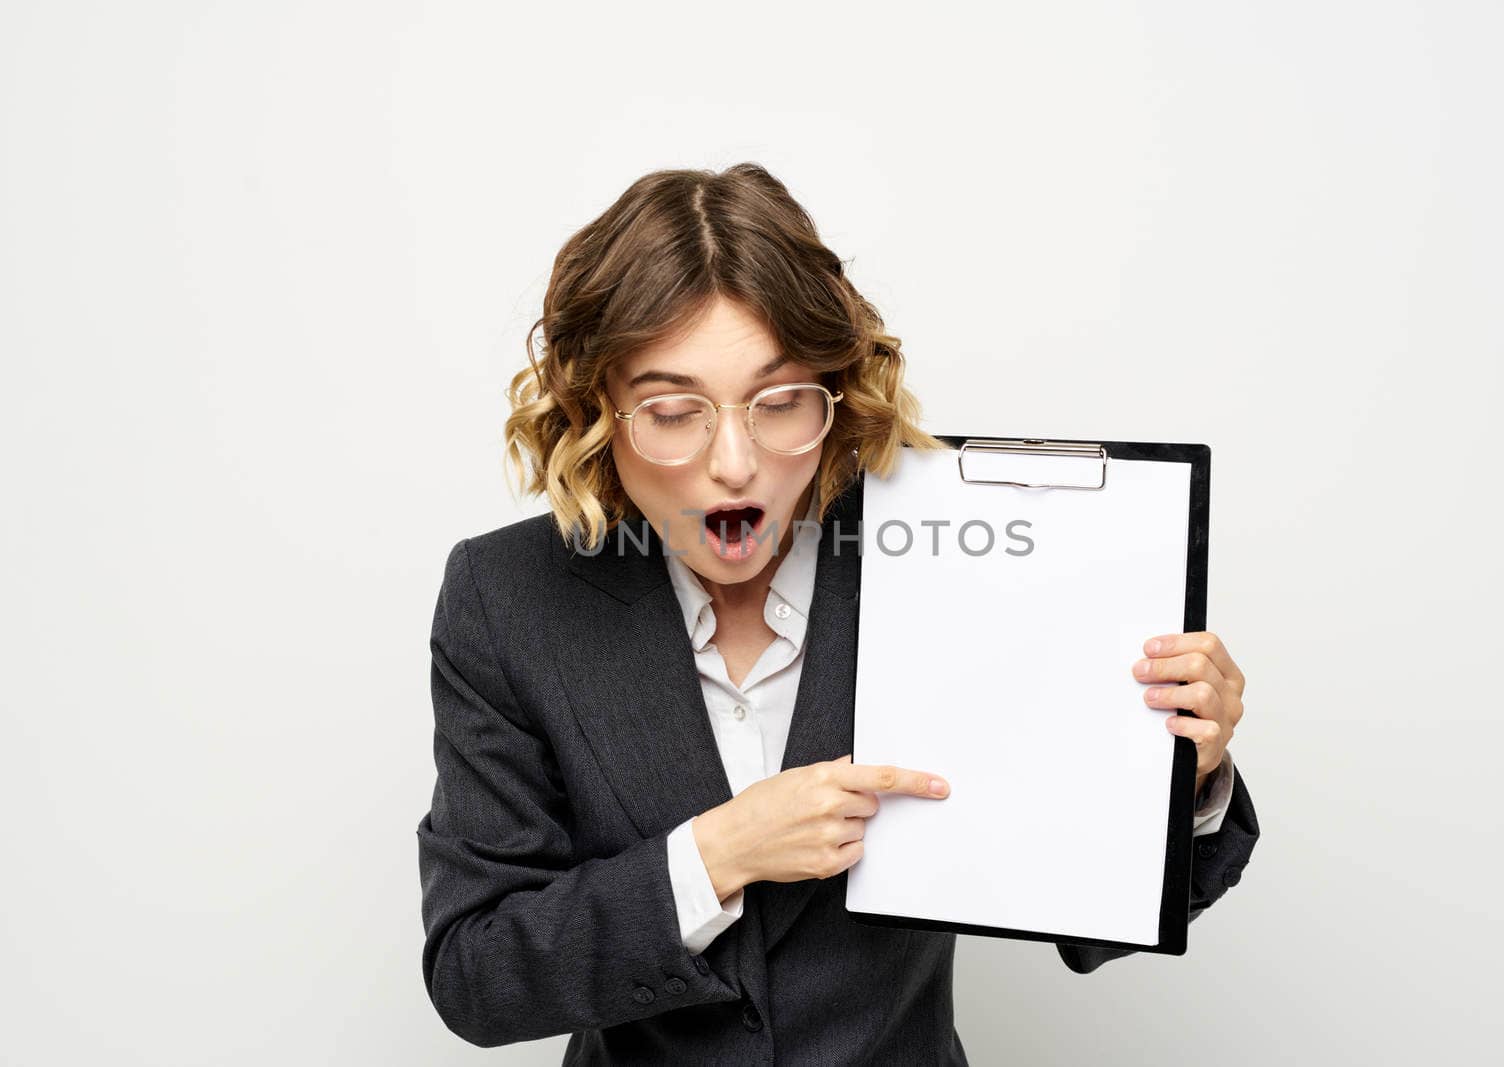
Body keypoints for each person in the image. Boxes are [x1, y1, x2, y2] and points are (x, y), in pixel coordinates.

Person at [416, 163, 1260, 1063]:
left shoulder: (951, 556)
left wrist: (1182, 774)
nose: (734, 463)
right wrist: (716, 853)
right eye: (672, 411)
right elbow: (478, 971)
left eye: (780, 403)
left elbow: (1090, 920)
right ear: (599, 412)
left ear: (836, 393)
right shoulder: (505, 599)